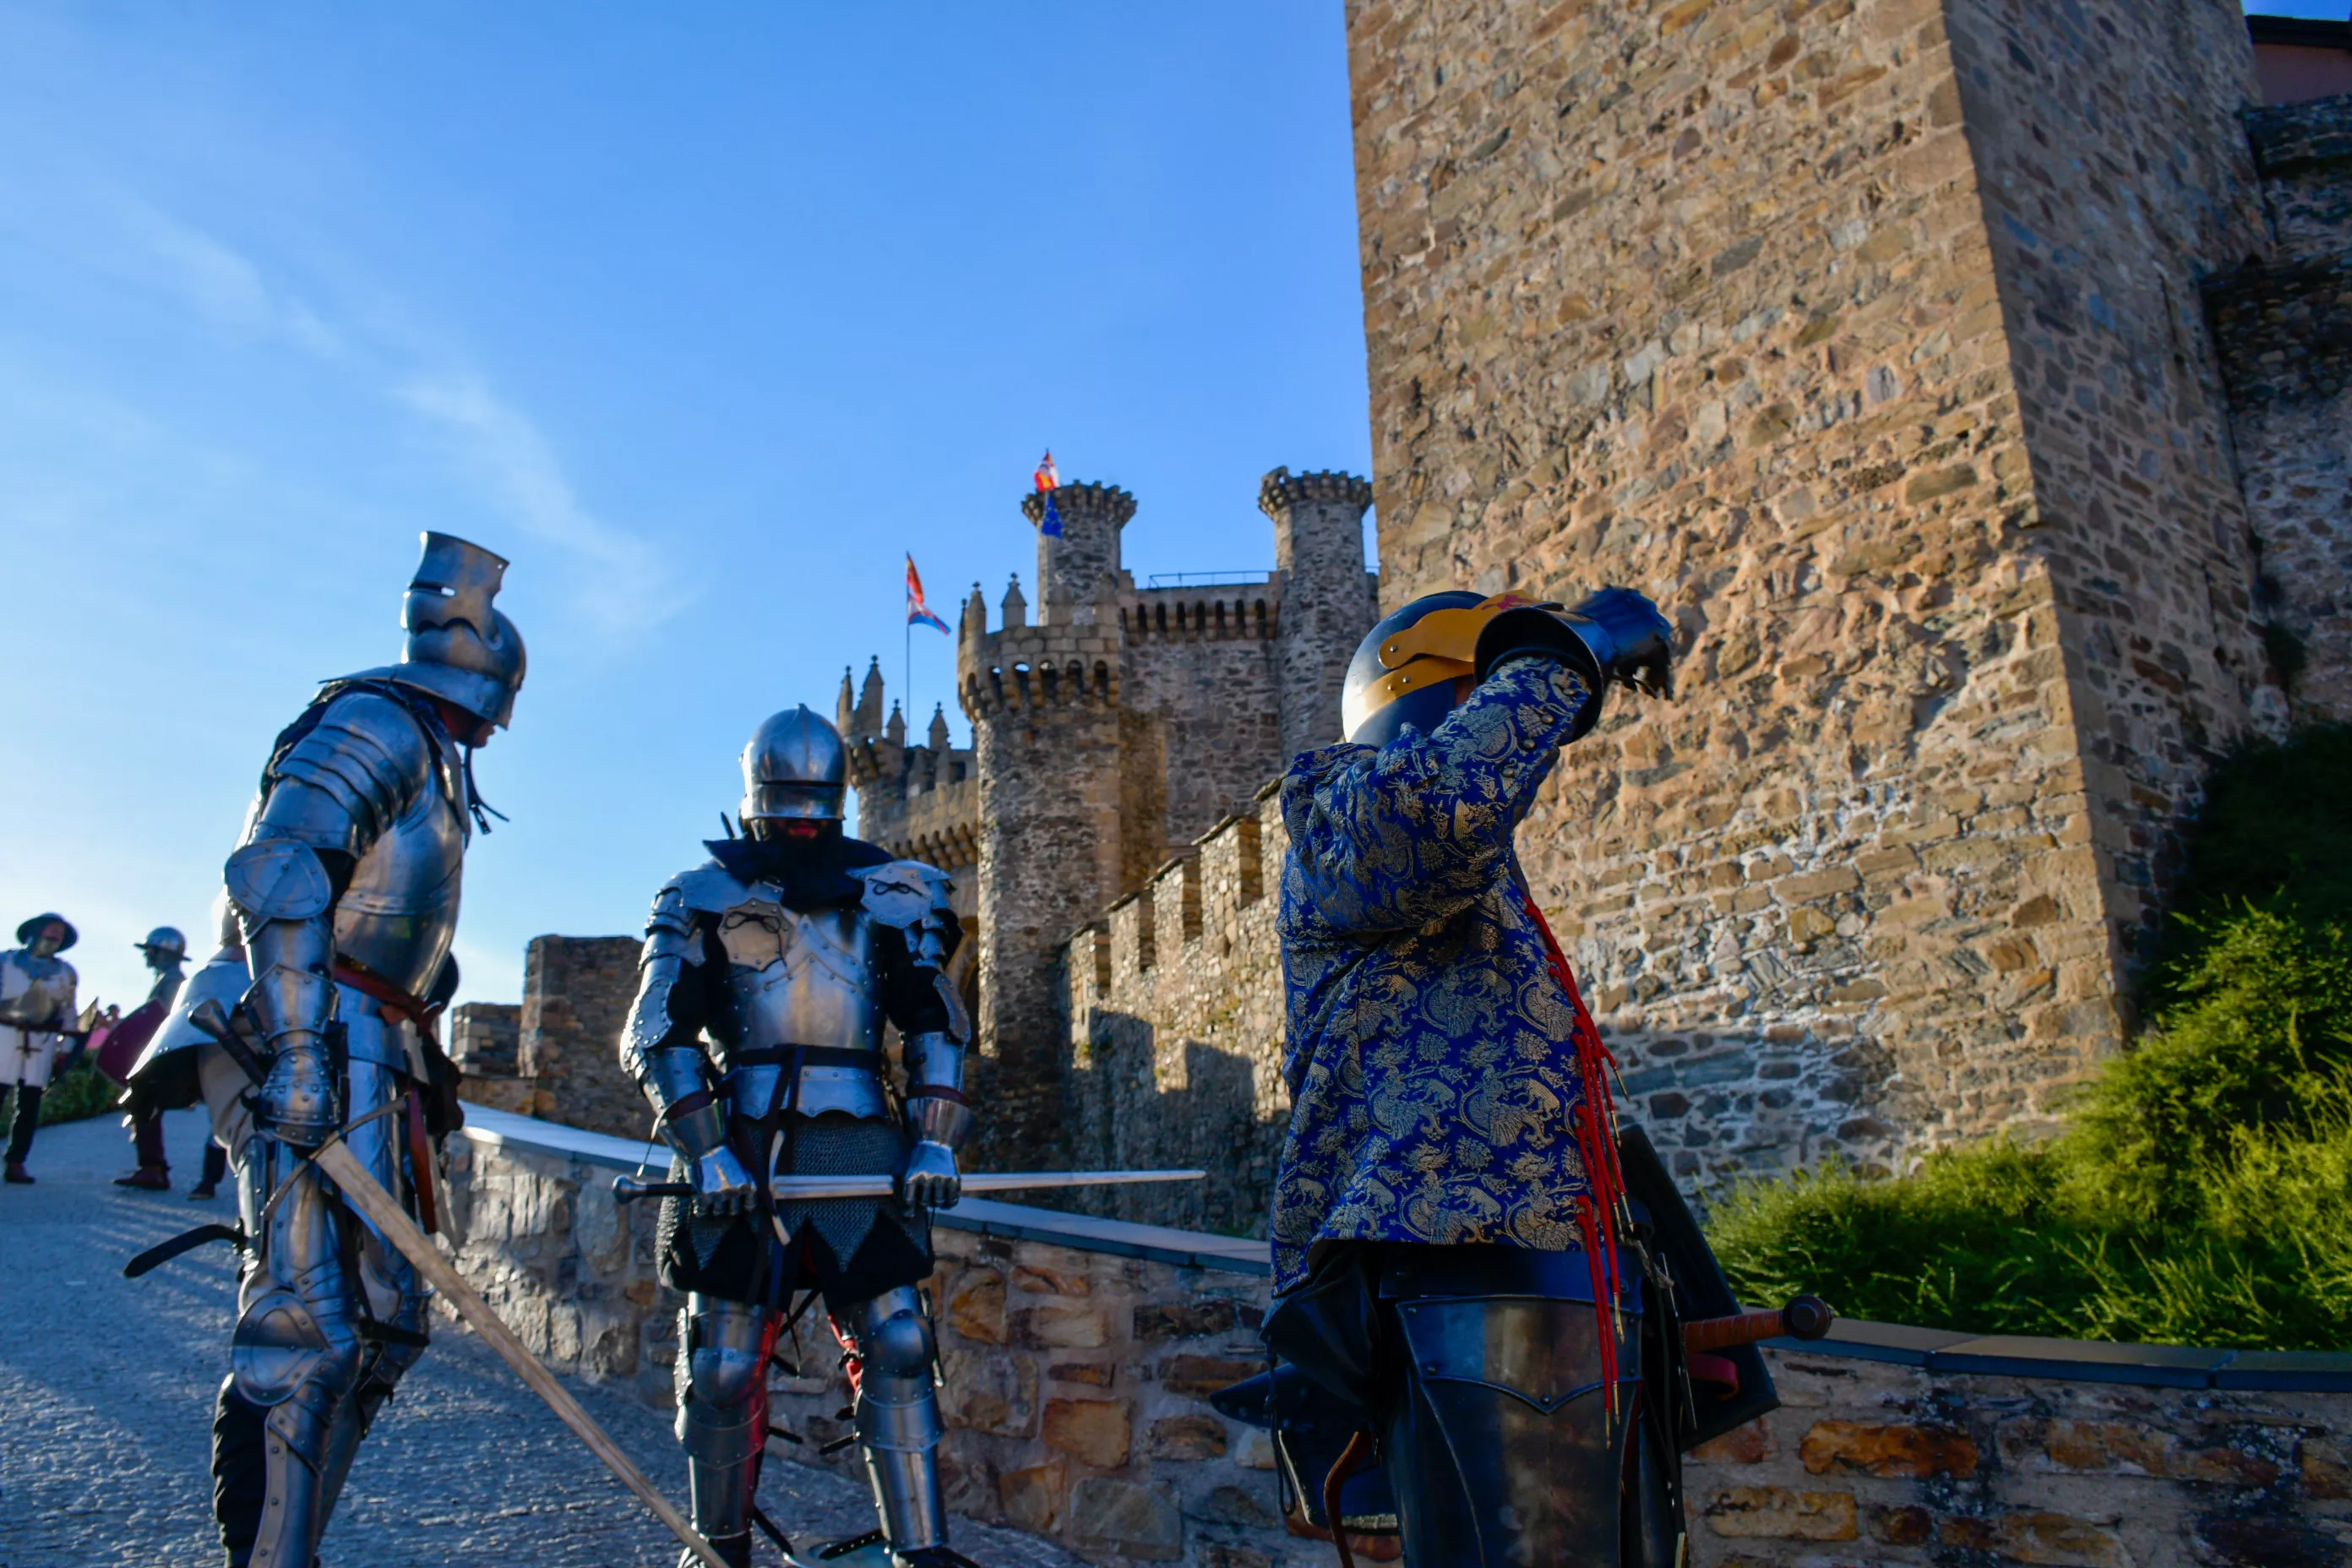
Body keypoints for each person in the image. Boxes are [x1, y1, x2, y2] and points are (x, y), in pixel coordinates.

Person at [1262, 586, 1680, 1567]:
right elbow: (1444, 806)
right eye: (1493, 686)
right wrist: (1568, 648)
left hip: (1562, 1276)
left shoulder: (1483, 884)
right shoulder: (1344, 813)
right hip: (1456, 1265)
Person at [159, 531, 522, 1568]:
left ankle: (292, 1538)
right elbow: (278, 868)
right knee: (306, 1326)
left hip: (367, 1034)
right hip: (304, 1023)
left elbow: (394, 915)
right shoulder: (378, 719)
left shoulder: (435, 755)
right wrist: (304, 1054)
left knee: (385, 1316)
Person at [619, 705, 974, 1568]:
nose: (798, 823)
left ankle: (917, 1551)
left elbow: (935, 1021)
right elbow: (656, 1030)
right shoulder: (705, 897)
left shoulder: (894, 894)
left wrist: (931, 1138)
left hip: (858, 1137)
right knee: (724, 1364)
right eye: (789, 807)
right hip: (741, 1136)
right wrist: (705, 1148)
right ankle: (719, 1544)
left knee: (898, 1341)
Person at [1, 912, 80, 1184]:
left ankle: (16, 1161)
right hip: (4, 1035)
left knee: (29, 1104)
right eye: (51, 930)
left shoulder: (65, 973)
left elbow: (68, 1012)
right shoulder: (6, 961)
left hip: (41, 1042)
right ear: (35, 931)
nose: (55, 936)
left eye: (60, 933)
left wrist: (66, 1047)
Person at [114, 925, 192, 1190]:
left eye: (150, 951)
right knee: (144, 1108)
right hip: (157, 1056)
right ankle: (152, 1166)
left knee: (145, 1106)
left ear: (162, 953)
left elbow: (169, 1020)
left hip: (160, 1058)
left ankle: (152, 1168)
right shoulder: (166, 979)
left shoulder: (173, 982)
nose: (147, 956)